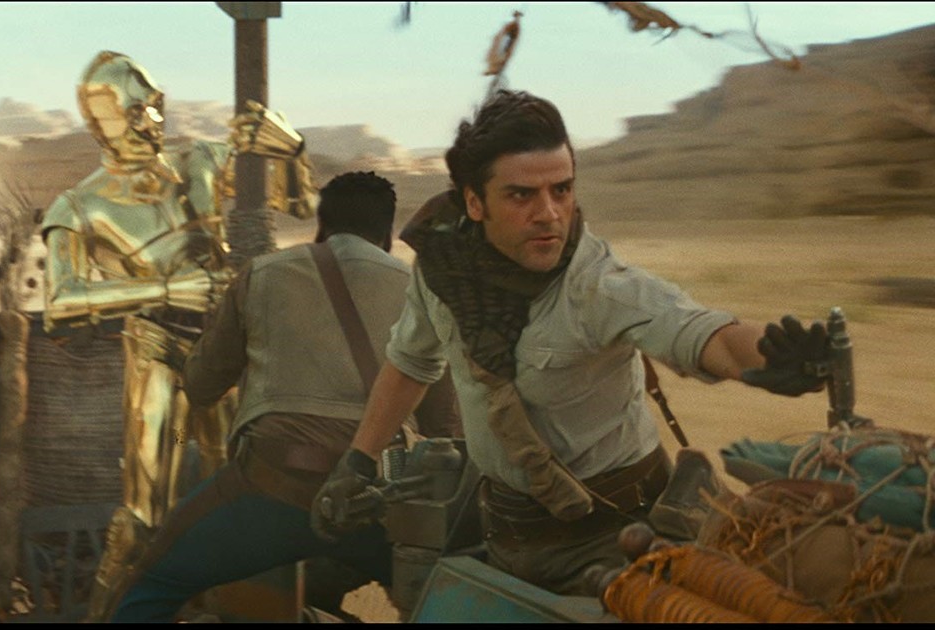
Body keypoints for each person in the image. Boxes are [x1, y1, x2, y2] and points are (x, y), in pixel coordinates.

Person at [310, 90, 833, 597]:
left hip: (618, 538)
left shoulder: (599, 286)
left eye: (561, 190)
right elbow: (409, 364)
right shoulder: (442, 271)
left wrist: (769, 357)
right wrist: (357, 461)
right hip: (504, 531)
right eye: (522, 195)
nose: (549, 213)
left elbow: (704, 334)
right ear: (474, 202)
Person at [39, 50, 320, 620]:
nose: (151, 122)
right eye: (134, 112)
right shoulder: (79, 207)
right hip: (158, 356)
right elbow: (60, 305)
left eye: (156, 106)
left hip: (228, 353)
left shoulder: (202, 163)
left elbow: (300, 204)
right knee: (143, 520)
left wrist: (290, 150)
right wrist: (165, 289)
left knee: (242, 500)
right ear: (100, 124)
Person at [107, 171, 462, 622]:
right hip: (374, 500)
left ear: (321, 227)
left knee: (154, 583)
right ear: (387, 236)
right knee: (446, 600)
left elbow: (200, 386)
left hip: (271, 487)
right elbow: (443, 424)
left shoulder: (262, 274)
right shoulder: (419, 289)